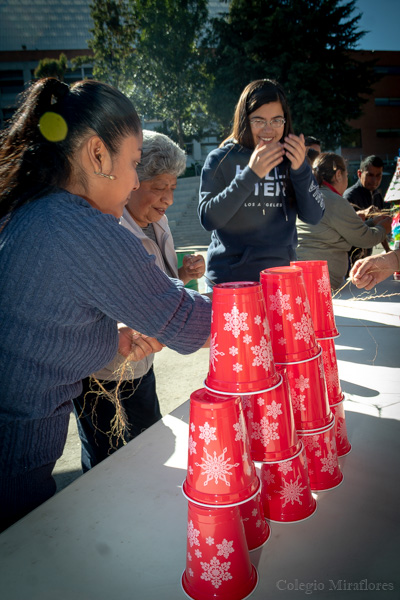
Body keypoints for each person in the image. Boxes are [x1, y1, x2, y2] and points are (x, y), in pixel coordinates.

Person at [0, 78, 211, 531]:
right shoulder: (81, 227)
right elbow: (191, 325)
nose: (137, 180)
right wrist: (274, 302)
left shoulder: (36, 210)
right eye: (135, 164)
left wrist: (110, 341)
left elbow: (35, 334)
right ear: (98, 154)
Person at [73, 130, 206, 471]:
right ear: (132, 181)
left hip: (140, 367)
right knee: (109, 464)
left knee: (151, 447)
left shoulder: (158, 224)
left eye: (173, 188)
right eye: (160, 187)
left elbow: (160, 289)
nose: (168, 199)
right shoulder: (107, 229)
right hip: (103, 376)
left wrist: (183, 274)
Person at [198, 79, 325, 285]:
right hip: (230, 280)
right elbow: (208, 218)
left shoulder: (292, 159)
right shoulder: (220, 158)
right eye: (259, 121)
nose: (268, 129)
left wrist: (301, 169)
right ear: (244, 120)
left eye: (276, 120)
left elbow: (314, 216)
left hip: (282, 278)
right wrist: (251, 174)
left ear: (285, 121)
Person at [296, 153, 392, 290]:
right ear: (339, 175)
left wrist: (372, 223)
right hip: (320, 281)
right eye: (347, 176)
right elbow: (364, 238)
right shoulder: (334, 201)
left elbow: (343, 231)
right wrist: (384, 228)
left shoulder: (311, 196)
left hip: (306, 276)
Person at [344, 155, 390, 262]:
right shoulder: (349, 196)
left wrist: (388, 249)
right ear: (359, 174)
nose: (375, 180)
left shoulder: (377, 196)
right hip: (350, 258)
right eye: (370, 175)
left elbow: (381, 224)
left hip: (366, 257)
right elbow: (347, 230)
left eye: (378, 175)